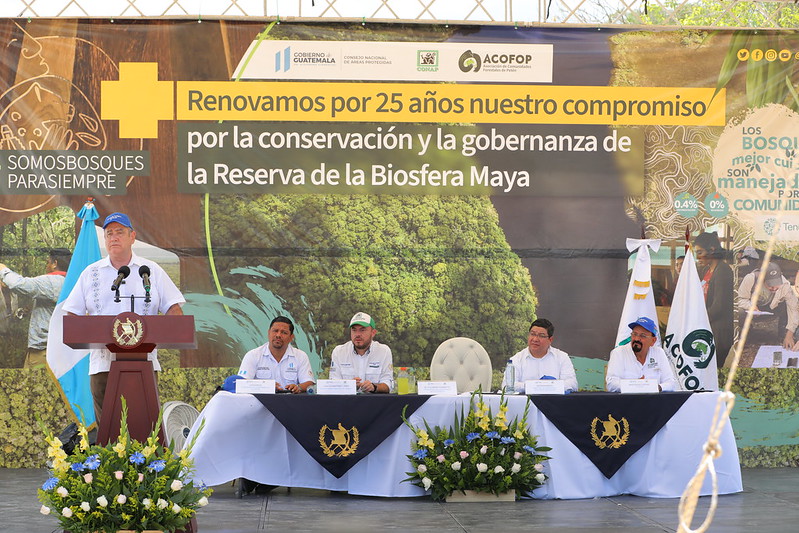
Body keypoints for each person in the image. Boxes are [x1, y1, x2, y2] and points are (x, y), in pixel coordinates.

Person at [62, 212, 184, 424]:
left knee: (145, 428)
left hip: (145, 365)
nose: (114, 238)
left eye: (119, 232)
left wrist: (170, 327)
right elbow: (72, 316)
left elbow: (174, 309)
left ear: (132, 236)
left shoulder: (151, 271)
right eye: (109, 234)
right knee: (108, 431)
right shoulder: (91, 273)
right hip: (103, 366)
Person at [0, 249, 71, 368]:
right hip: (55, 349)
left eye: (48, 262)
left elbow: (18, 284)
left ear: (55, 263)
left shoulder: (52, 281)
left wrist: (3, 269)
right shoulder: (69, 282)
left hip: (44, 351)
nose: (46, 266)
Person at [237, 315, 314, 393]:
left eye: (284, 332)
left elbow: (309, 382)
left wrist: (298, 387)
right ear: (268, 333)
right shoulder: (253, 355)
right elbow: (242, 383)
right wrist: (266, 386)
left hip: (291, 399)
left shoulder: (301, 356)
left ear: (291, 337)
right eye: (275, 331)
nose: (278, 335)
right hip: (261, 400)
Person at [502, 317, 578, 393]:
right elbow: (506, 386)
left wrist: (552, 385)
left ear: (550, 340)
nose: (535, 339)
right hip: (526, 400)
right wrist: (534, 386)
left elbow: (573, 384)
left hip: (554, 400)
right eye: (532, 334)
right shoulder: (516, 359)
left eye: (541, 336)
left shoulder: (562, 357)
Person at [693, 232, 734, 367]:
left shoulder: (723, 271)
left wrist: (699, 319)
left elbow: (719, 307)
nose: (698, 257)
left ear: (712, 250)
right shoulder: (706, 270)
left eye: (700, 252)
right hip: (708, 329)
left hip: (719, 333)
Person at [737, 262, 799, 350]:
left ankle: (783, 335)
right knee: (739, 311)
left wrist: (790, 334)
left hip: (772, 310)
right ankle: (747, 332)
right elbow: (740, 299)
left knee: (789, 304)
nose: (774, 288)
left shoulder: (785, 284)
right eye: (770, 284)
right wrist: (750, 306)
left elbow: (793, 309)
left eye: (776, 283)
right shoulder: (750, 278)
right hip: (753, 311)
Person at [606, 317, 677, 392]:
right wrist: (636, 386)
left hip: (653, 398)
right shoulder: (618, 353)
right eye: (634, 334)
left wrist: (656, 387)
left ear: (653, 341)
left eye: (642, 336)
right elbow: (611, 384)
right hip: (626, 399)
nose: (636, 339)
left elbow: (671, 383)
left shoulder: (659, 353)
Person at [329, 312, 394, 393]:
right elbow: (332, 384)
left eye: (362, 330)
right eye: (354, 330)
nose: (357, 334)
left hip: (374, 400)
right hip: (347, 400)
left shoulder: (384, 351)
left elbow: (388, 385)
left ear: (373, 333)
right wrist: (349, 385)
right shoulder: (338, 352)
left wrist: (374, 387)